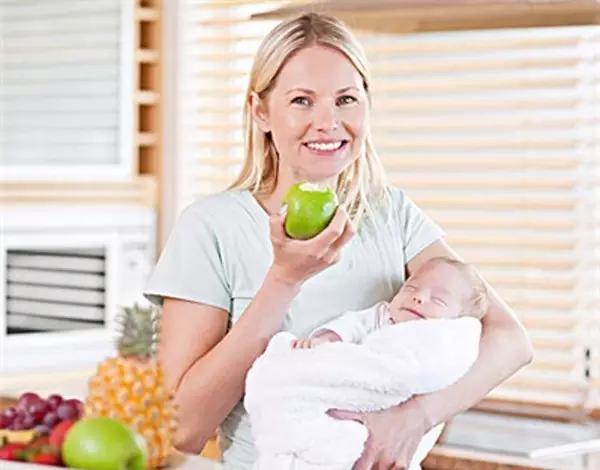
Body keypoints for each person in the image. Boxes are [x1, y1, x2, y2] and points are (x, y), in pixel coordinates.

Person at [144, 12, 533, 470]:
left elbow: (509, 340)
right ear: (260, 111)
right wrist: (284, 280)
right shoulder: (211, 228)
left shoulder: (391, 214)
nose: (328, 122)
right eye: (302, 101)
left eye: (346, 99)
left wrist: (415, 418)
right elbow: (181, 430)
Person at [291, 256, 488, 349]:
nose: (418, 297)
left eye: (437, 299)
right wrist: (327, 340)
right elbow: (353, 324)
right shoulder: (382, 316)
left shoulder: (447, 342)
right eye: (411, 288)